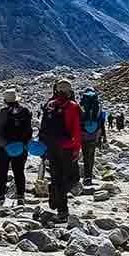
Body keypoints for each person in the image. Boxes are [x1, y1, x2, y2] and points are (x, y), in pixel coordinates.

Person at [37, 79, 83, 221]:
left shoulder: (49, 105)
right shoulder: (73, 106)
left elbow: (43, 127)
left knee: (56, 177)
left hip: (51, 146)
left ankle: (62, 210)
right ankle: (57, 193)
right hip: (67, 147)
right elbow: (76, 130)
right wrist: (77, 148)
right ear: (69, 91)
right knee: (73, 177)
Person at [0, 89, 34, 202]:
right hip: (20, 146)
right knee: (19, 171)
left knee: (2, 171)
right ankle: (21, 196)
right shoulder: (25, 111)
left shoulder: (3, 112)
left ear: (5, 101)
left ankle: (0, 195)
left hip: (4, 146)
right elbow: (29, 130)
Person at [78, 87, 108, 186]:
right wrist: (103, 137)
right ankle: (88, 177)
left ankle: (76, 177)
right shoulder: (98, 105)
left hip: (82, 134)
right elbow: (102, 121)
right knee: (90, 156)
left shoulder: (81, 104)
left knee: (83, 154)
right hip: (94, 134)